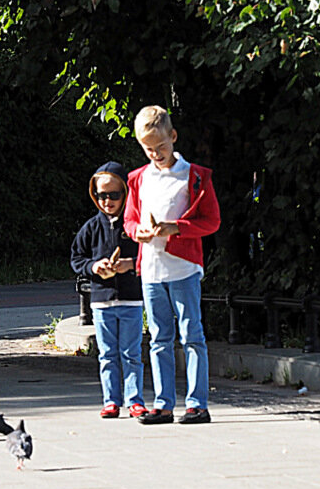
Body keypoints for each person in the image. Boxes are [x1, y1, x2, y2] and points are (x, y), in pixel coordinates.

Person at [124, 106, 221, 425]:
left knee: (191, 334)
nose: (155, 154)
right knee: (159, 337)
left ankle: (197, 403)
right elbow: (129, 220)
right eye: (148, 149)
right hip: (151, 268)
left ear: (173, 137)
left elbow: (211, 221)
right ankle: (164, 404)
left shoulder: (194, 176)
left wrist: (177, 227)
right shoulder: (138, 179)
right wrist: (137, 230)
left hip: (183, 268)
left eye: (160, 147)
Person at [70, 162, 147, 419]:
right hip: (102, 301)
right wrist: (94, 266)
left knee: (131, 353)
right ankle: (111, 400)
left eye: (114, 195)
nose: (108, 201)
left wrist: (130, 265)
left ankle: (134, 399)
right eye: (102, 195)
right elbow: (77, 258)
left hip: (131, 299)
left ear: (125, 193)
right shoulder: (91, 226)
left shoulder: (134, 224)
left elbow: (149, 254)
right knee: (107, 354)